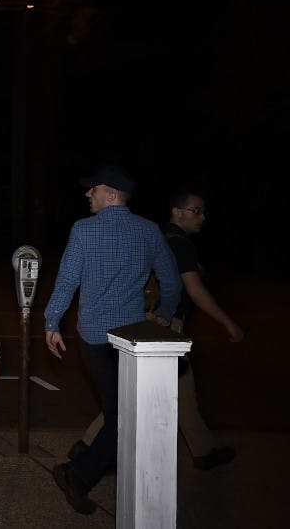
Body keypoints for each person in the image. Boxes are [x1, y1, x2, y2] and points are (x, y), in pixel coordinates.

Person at [69, 187, 243, 471]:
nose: (202, 217)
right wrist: (227, 322)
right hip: (163, 326)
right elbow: (192, 288)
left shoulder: (157, 235)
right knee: (169, 393)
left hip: (147, 321)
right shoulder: (177, 244)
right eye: (195, 211)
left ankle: (90, 445)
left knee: (128, 392)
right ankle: (202, 451)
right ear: (178, 212)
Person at [43, 164, 181, 515]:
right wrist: (165, 311)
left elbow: (67, 279)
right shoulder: (149, 231)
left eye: (93, 189)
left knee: (121, 414)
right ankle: (94, 459)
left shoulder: (83, 230)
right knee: (123, 413)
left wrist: (52, 320)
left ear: (111, 195)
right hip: (132, 340)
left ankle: (77, 473)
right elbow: (171, 279)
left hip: (92, 338)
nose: (87, 194)